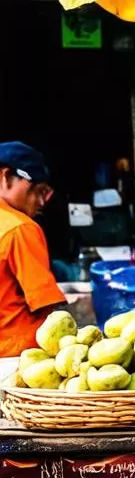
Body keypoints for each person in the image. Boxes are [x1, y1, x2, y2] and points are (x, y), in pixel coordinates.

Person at [0, 142, 65, 358]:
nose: (42, 202)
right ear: (6, 177)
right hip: (17, 356)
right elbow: (46, 307)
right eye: (38, 190)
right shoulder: (20, 228)